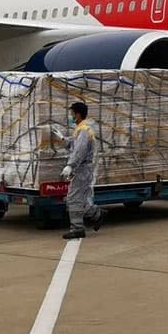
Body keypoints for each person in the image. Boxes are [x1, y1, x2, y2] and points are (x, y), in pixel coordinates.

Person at [59, 102, 104, 239]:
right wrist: (63, 140)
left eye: (72, 113)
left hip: (82, 169)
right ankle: (96, 213)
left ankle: (77, 228)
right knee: (77, 198)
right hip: (82, 169)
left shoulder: (84, 130)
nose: (70, 116)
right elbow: (74, 144)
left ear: (77, 114)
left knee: (74, 198)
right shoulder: (80, 129)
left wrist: (70, 165)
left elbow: (80, 150)